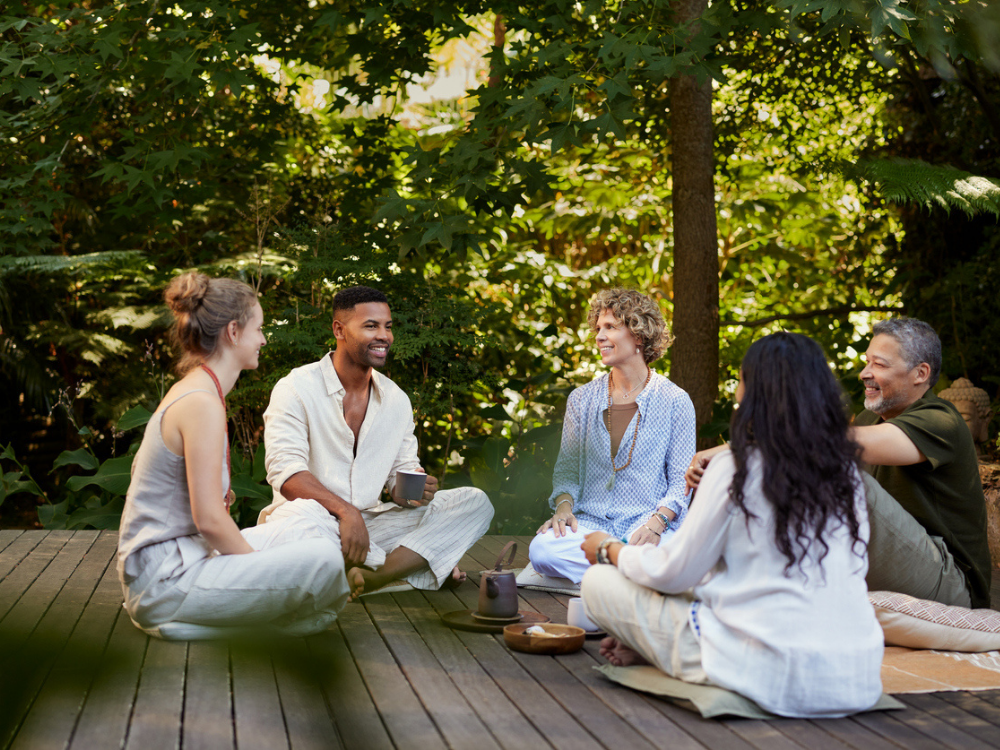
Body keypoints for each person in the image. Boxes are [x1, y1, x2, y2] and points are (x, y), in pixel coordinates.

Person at [581, 333, 883, 718]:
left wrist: (608, 549)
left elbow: (673, 572)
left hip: (771, 675)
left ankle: (663, 651)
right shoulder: (847, 473)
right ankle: (650, 645)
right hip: (856, 679)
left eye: (741, 381)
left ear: (754, 394)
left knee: (598, 581)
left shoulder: (736, 467)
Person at [687, 318, 991, 609]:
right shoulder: (869, 418)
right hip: (889, 565)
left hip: (952, 583)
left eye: (879, 364)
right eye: (867, 361)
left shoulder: (941, 420)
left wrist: (735, 449)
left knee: (833, 469)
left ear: (920, 374)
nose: (864, 373)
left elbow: (828, 444)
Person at [117, 272, 350, 641]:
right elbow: (210, 520)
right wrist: (259, 570)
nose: (263, 339)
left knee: (311, 520)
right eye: (258, 328)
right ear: (233, 332)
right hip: (165, 582)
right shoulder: (200, 402)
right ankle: (246, 627)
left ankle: (230, 619)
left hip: (190, 558)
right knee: (324, 561)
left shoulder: (199, 390)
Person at [258, 285, 493, 599]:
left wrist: (411, 490)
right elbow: (286, 474)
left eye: (388, 326)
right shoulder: (296, 388)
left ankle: (376, 576)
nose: (384, 336)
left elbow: (401, 473)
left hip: (371, 527)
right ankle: (416, 562)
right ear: (339, 330)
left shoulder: (396, 399)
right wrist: (346, 513)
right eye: (371, 326)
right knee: (299, 532)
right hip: (312, 524)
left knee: (473, 503)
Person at [527, 288, 696, 584]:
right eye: (598, 329)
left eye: (610, 327)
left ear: (639, 335)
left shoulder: (675, 400)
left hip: (646, 525)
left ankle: (610, 570)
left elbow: (682, 481)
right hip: (588, 527)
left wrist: (657, 523)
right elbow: (567, 471)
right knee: (542, 551)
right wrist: (564, 509)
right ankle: (629, 572)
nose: (599, 336)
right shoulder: (581, 399)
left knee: (670, 556)